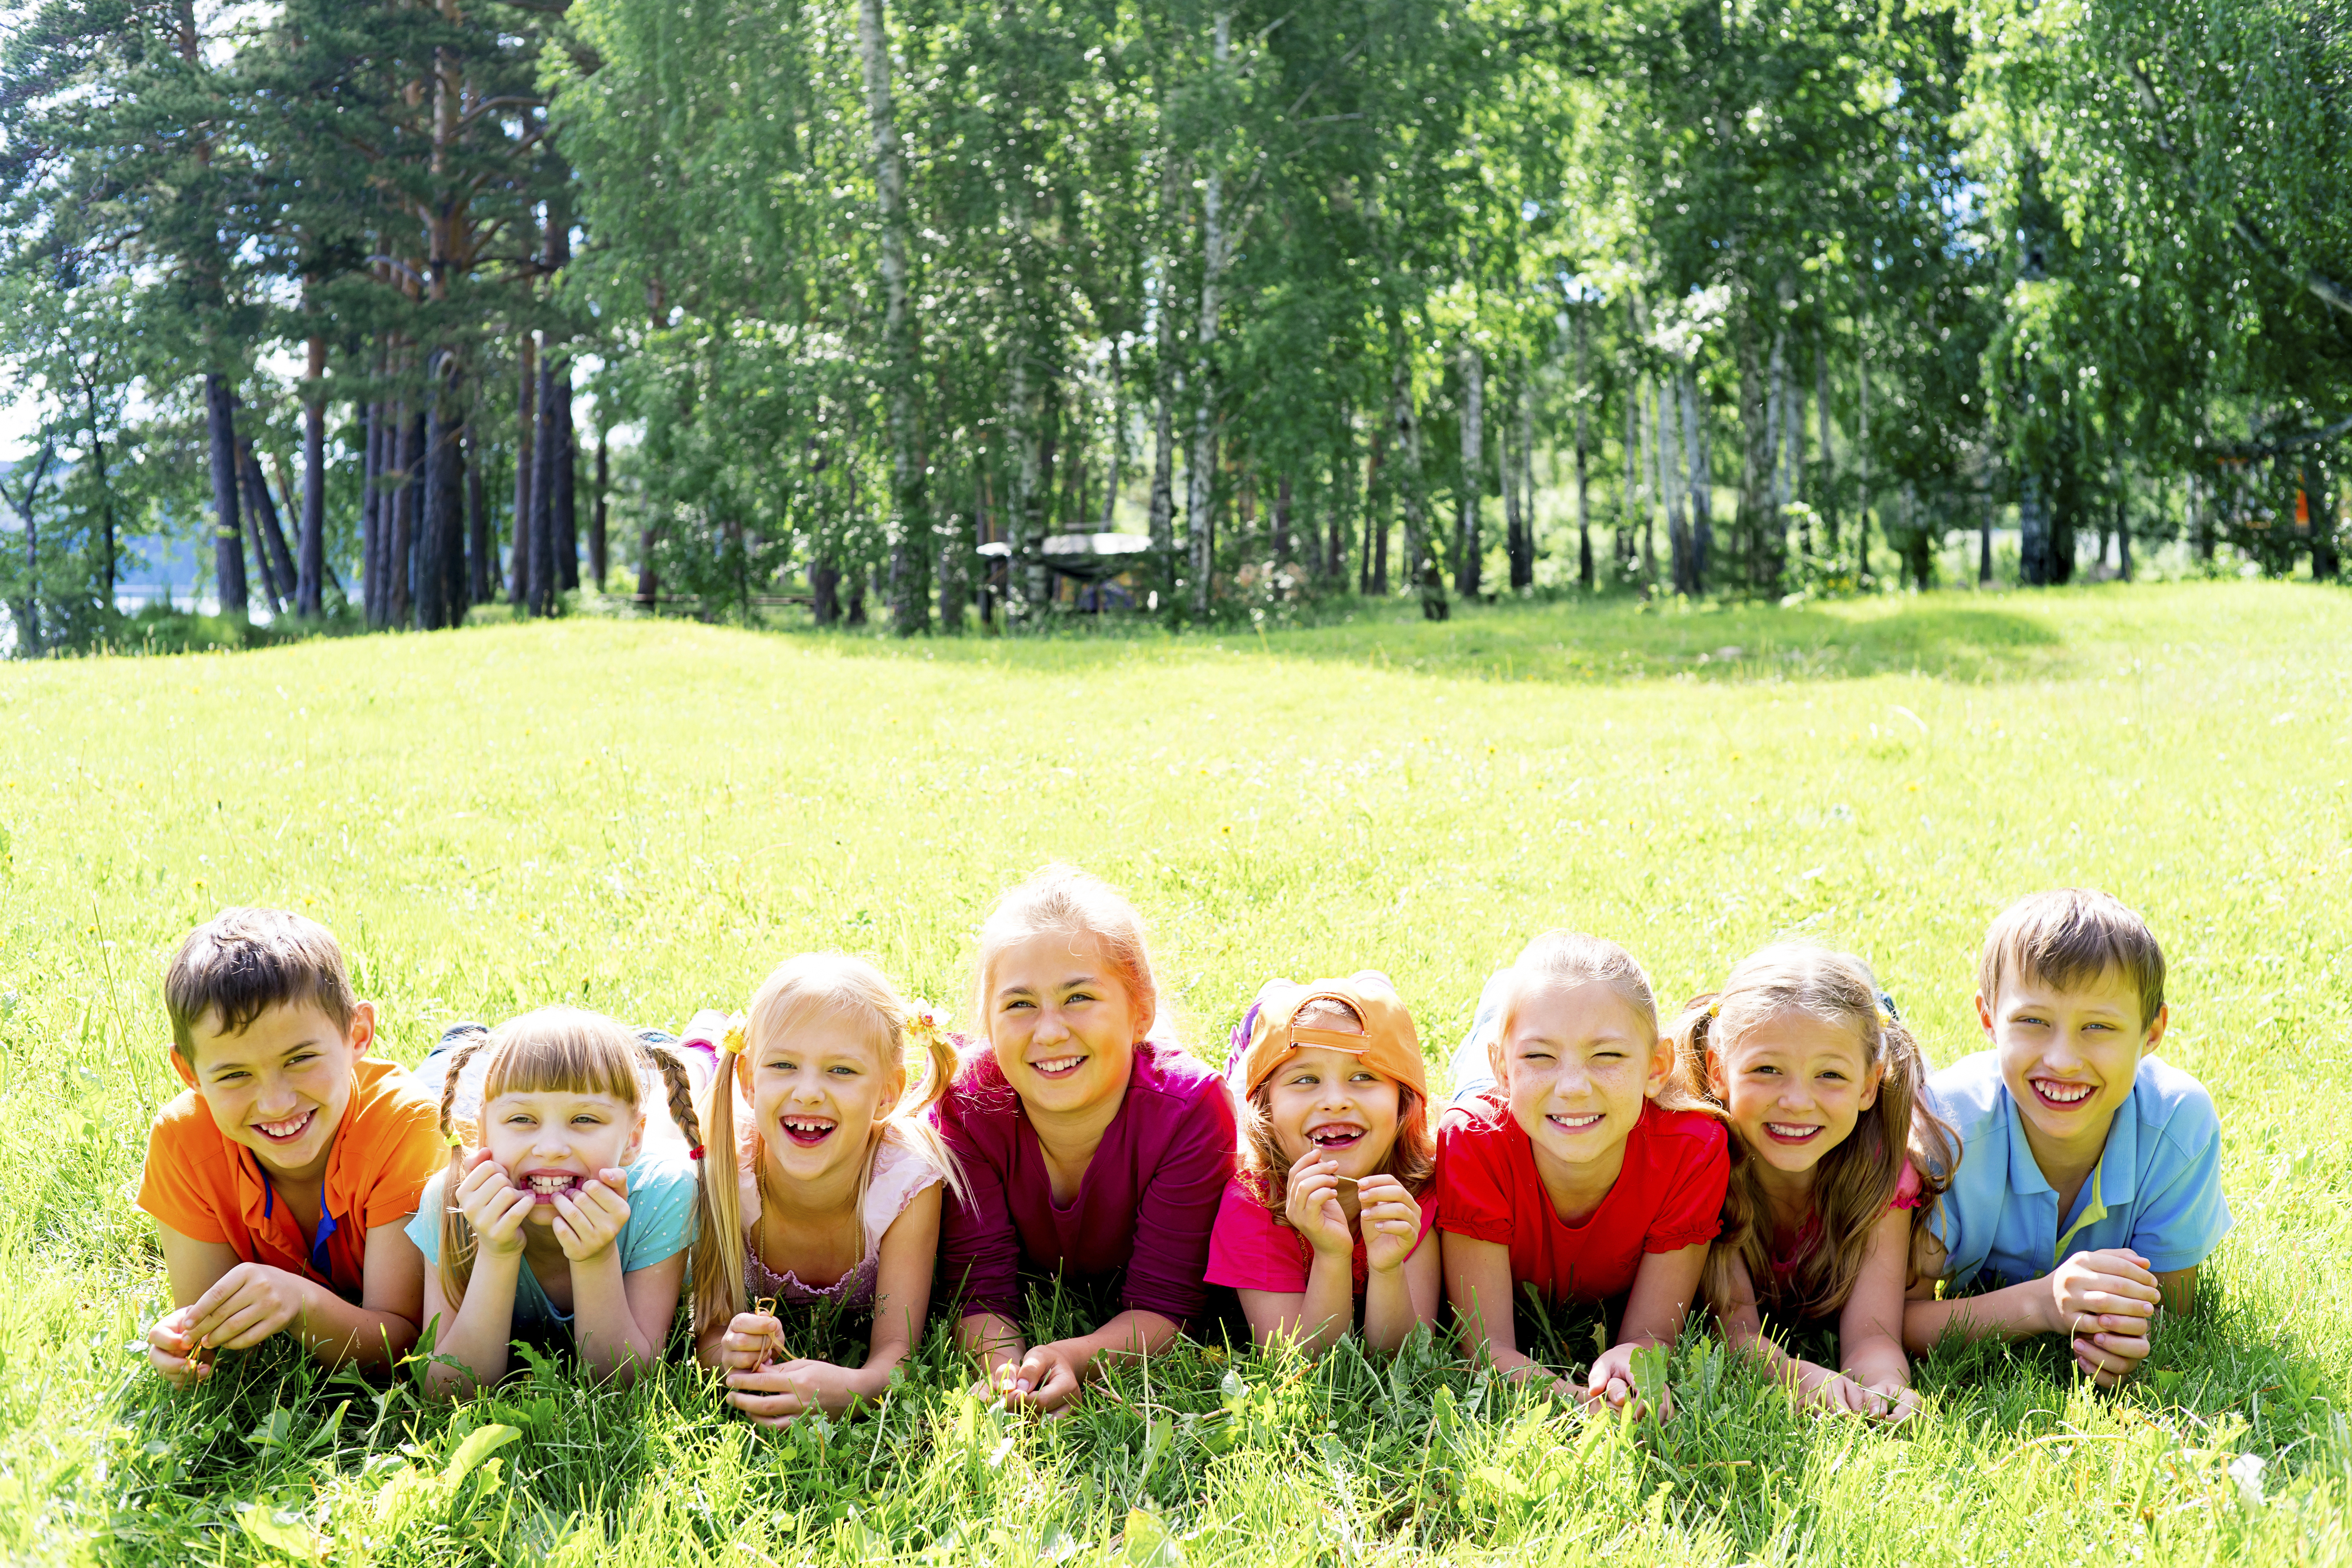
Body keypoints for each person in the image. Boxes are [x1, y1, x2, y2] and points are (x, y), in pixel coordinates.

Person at [935, 864, 1237, 1414]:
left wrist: (1074, 1355)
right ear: (989, 1020)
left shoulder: (1191, 1109)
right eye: (1019, 1004)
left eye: (1079, 997)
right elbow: (980, 1290)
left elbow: (1168, 1305)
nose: (1049, 1032)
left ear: (1139, 1010)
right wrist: (1010, 1377)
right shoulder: (968, 1104)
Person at [1905, 889, 2230, 1387]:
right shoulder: (1945, 1128)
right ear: (1989, 1018)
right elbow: (1899, 1321)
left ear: (2152, 1033)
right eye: (2033, 1021)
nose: (2062, 1060)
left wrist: (2125, 1340)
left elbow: (2172, 1315)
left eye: (2098, 1026)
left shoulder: (2177, 1127)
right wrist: (2041, 1303)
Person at [138, 908, 443, 1387]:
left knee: (470, 1090)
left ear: (357, 1034)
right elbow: (208, 1328)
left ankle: (460, 1044)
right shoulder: (183, 1140)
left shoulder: (404, 1125)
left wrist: (301, 1303)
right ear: (190, 1073)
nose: (276, 1103)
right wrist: (186, 1346)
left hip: (438, 1101)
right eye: (235, 1074)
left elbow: (402, 1344)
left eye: (300, 1059)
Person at [1435, 931, 1727, 1412]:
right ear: (1504, 1071)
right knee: (1484, 1064)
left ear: (1657, 1067)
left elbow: (1649, 1338)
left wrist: (1634, 1363)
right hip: (1501, 1109)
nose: (1573, 1086)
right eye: (1539, 1055)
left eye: (1607, 1054)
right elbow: (1485, 1353)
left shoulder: (1692, 1152)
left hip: (1533, 1105)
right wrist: (1578, 1402)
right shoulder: (1473, 1142)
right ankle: (1500, 1004)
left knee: (1537, 1035)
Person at [1668, 944, 1954, 1422]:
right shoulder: (1705, 1162)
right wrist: (1794, 1374)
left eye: (1830, 1075)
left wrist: (1885, 1386)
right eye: (1767, 1070)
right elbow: (1736, 1330)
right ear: (1719, 1071)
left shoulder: (1881, 1173)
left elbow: (1873, 1333)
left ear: (1869, 1085)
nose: (1798, 1101)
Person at [694, 954, 965, 1424]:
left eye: (841, 1070)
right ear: (749, 1082)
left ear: (887, 1092)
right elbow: (710, 1336)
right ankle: (700, 1046)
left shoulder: (906, 1184)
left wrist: (855, 1389)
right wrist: (732, 1354)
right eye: (783, 1065)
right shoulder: (725, 1171)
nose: (809, 1092)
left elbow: (896, 1356)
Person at [408, 1007, 714, 1394]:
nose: (551, 1148)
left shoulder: (664, 1193)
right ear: (483, 1130)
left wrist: (595, 1257)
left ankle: (700, 1047)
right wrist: (497, 1253)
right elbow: (449, 1391)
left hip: (660, 1144)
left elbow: (621, 1385)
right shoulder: (451, 1202)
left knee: (685, 1099)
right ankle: (455, 1040)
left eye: (585, 1119)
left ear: (633, 1138)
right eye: (522, 1119)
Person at [1207, 973, 1439, 1352]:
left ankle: (1373, 989)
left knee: (1374, 1002)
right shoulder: (1252, 1203)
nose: (1335, 1101)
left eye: (1364, 1076)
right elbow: (1304, 1358)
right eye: (1306, 1079)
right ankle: (1265, 1014)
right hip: (1256, 1137)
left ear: (1404, 1102)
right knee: (1234, 1102)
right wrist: (1332, 1255)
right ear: (1268, 1109)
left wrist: (1388, 1268)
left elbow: (1402, 1355)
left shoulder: (1414, 1188)